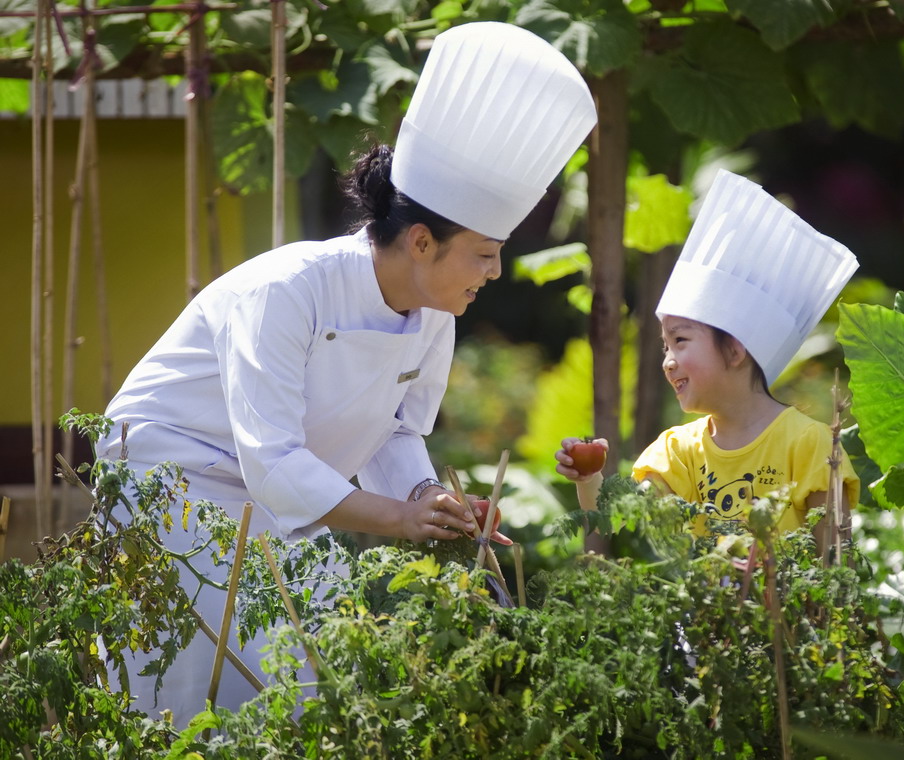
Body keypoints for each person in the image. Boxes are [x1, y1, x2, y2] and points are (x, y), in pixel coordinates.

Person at [94, 21, 596, 719]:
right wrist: (399, 518)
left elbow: (395, 434)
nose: (495, 271)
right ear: (422, 242)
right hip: (174, 480)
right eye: (484, 252)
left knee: (326, 655)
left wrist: (429, 501)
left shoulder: (434, 314)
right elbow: (269, 459)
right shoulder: (287, 289)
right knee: (207, 678)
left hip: (281, 500)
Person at [556, 170, 861, 554]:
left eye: (680, 341)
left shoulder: (810, 445)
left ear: (735, 350)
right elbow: (617, 518)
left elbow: (836, 569)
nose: (667, 361)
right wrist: (588, 476)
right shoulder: (678, 451)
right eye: (665, 347)